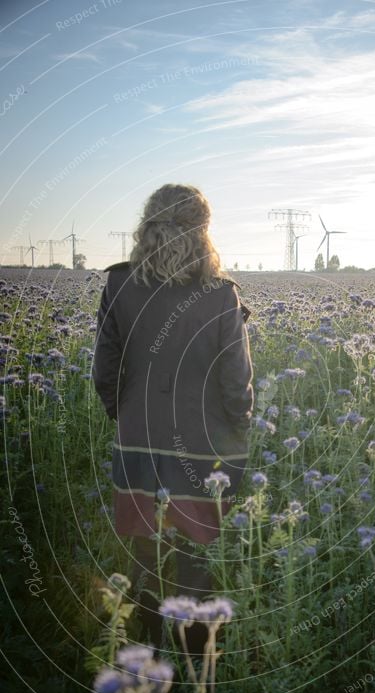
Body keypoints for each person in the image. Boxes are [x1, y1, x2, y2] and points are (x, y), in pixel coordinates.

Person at [92, 184, 253, 650]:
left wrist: (123, 417)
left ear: (147, 223)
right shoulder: (220, 294)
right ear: (204, 231)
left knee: (146, 552)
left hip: (137, 442)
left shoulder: (119, 283)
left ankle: (145, 649)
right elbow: (235, 380)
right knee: (196, 554)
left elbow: (105, 369)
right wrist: (238, 431)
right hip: (204, 447)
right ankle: (194, 661)